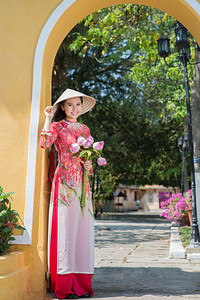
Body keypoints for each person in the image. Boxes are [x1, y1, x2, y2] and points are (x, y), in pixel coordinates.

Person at [40, 89, 96, 299]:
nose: (74, 108)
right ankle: (63, 285)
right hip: (64, 183)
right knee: (65, 231)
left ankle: (81, 284)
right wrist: (47, 118)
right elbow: (45, 143)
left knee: (82, 231)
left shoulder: (85, 128)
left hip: (83, 184)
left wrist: (89, 164)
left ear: (82, 106)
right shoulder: (57, 126)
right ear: (62, 107)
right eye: (70, 105)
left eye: (78, 104)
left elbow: (87, 157)